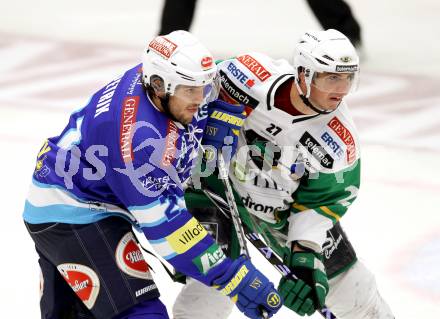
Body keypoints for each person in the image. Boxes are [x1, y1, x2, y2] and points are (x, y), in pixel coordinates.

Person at [22, 30, 283, 319]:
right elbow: (166, 228)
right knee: (142, 314)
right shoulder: (138, 140)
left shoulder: (161, 80)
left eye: (204, 89)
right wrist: (230, 277)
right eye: (191, 91)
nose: (200, 100)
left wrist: (219, 112)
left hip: (74, 197)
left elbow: (224, 75)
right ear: (159, 86)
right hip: (73, 213)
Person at [173, 29, 394, 318]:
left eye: (348, 78)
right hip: (216, 194)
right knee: (209, 292)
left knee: (355, 293)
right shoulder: (246, 75)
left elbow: (324, 200)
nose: (341, 89)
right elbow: (188, 100)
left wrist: (305, 253)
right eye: (332, 77)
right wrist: (200, 137)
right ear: (303, 74)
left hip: (281, 213)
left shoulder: (339, 141)